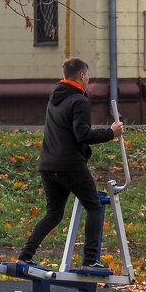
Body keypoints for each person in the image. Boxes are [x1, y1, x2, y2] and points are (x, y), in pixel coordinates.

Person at [18, 58, 124, 269]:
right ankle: (90, 260)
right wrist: (111, 133)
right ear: (82, 76)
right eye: (88, 76)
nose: (89, 79)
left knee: (54, 213)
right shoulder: (79, 101)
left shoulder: (54, 99)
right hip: (70, 164)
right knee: (94, 206)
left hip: (48, 165)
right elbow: (82, 134)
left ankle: (24, 256)